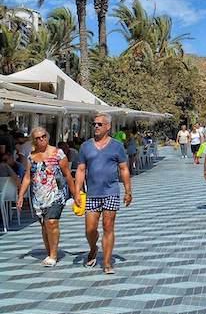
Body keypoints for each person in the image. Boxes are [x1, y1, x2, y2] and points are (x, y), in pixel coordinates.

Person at [74, 113, 132, 274]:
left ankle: (107, 262)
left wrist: (128, 191)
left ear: (108, 127)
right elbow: (80, 169)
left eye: (100, 124)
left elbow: (124, 169)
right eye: (94, 124)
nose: (96, 127)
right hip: (92, 193)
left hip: (111, 191)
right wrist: (77, 191)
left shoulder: (117, 146)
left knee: (108, 227)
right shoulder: (86, 146)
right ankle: (93, 248)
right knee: (90, 229)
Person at [17, 127, 78, 267]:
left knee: (51, 222)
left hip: (56, 194)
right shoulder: (31, 157)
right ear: (34, 140)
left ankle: (53, 255)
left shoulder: (58, 153)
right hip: (38, 196)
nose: (41, 139)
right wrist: (21, 196)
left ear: (47, 136)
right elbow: (27, 177)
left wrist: (75, 194)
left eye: (43, 136)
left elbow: (68, 175)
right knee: (44, 226)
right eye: (38, 138)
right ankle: (49, 251)